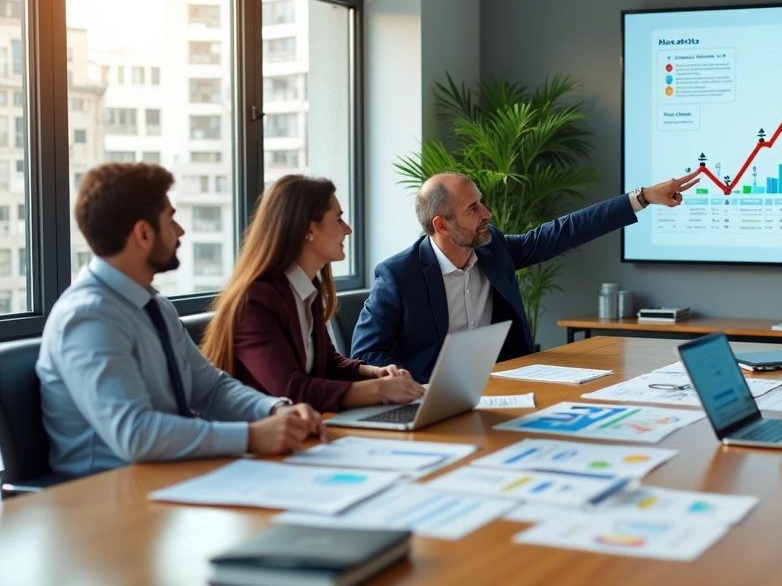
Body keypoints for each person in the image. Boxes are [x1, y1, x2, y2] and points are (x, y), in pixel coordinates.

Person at [37, 164, 327, 479]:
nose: (180, 231)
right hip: (108, 492)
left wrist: (275, 409)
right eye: (170, 220)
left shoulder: (155, 306)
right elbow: (135, 434)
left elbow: (211, 389)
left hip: (172, 476)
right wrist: (252, 436)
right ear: (143, 234)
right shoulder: (88, 317)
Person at [351, 172, 699, 381]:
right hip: (429, 397)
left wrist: (642, 198)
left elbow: (564, 231)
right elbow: (365, 355)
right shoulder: (399, 275)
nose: (487, 213)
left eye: (481, 202)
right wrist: (422, 385)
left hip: (504, 386)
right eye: (473, 209)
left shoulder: (493, 248)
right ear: (441, 225)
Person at [201, 175, 426, 413]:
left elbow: (328, 363)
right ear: (308, 229)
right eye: (338, 219)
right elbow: (291, 390)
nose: (348, 229)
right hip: (258, 430)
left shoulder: (308, 288)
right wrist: (380, 390)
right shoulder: (255, 301)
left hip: (302, 424)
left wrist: (374, 373)